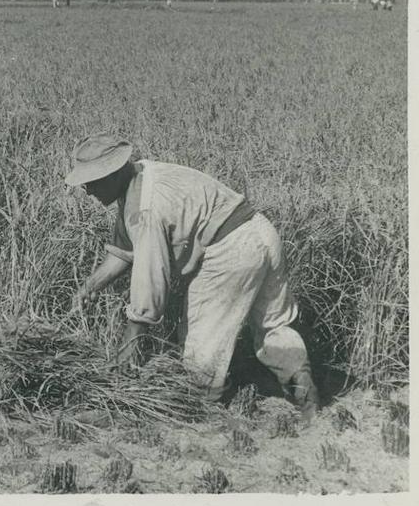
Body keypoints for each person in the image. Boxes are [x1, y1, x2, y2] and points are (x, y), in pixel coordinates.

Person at [67, 133, 318, 418]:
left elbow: (151, 277)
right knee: (273, 326)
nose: (87, 190)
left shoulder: (147, 208)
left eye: (92, 181)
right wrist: (90, 287)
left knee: (201, 355)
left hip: (230, 251)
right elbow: (125, 250)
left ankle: (205, 421)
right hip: (260, 232)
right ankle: (309, 405)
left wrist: (132, 337)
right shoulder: (144, 173)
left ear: (113, 173)